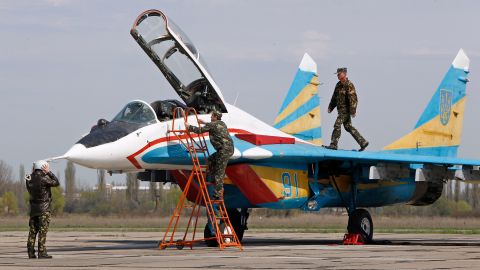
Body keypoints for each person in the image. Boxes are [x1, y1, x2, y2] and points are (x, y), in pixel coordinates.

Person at [185, 111, 234, 201]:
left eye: (212, 116)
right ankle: (212, 178)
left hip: (224, 151)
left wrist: (189, 127)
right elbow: (213, 125)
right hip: (226, 150)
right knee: (211, 159)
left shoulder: (212, 125)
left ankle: (218, 194)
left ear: (215, 117)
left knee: (220, 172)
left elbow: (200, 131)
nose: (211, 117)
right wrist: (203, 122)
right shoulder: (222, 123)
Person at [326, 67, 369, 151]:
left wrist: (353, 111)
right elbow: (334, 97)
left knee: (337, 124)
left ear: (345, 74)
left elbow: (353, 99)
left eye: (339, 73)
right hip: (340, 110)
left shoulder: (349, 85)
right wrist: (330, 107)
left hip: (346, 111)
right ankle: (363, 142)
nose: (338, 75)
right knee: (348, 127)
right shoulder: (338, 85)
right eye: (337, 74)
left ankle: (333, 144)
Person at [26, 160, 60, 259]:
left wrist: (33, 171)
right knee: (42, 231)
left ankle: (30, 252)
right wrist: (49, 172)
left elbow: (30, 183)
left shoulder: (28, 178)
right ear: (43, 168)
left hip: (33, 210)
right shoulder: (44, 178)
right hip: (44, 209)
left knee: (32, 231)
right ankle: (42, 252)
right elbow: (56, 183)